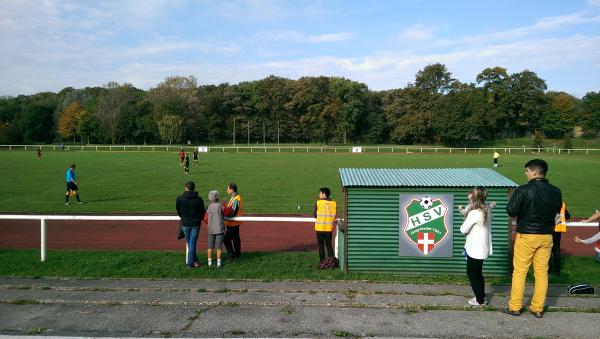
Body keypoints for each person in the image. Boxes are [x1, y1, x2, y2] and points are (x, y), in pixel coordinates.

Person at [502, 159, 562, 318]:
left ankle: (515, 306)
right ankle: (537, 308)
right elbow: (558, 211)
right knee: (542, 273)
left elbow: (511, 211)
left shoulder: (523, 189)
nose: (525, 173)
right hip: (547, 236)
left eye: (527, 170)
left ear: (534, 172)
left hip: (527, 235)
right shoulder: (556, 191)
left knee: (520, 272)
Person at [459, 187, 493, 306]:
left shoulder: (475, 213)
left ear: (474, 199)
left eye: (470, 199)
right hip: (483, 248)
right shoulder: (487, 210)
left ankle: (480, 300)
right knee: (478, 273)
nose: (469, 202)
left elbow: (463, 229)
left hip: (474, 248)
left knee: (472, 274)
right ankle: (481, 296)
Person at [176, 181, 206, 269]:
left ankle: (192, 262)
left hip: (185, 223)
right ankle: (191, 262)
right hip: (195, 224)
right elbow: (202, 212)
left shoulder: (180, 198)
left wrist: (183, 217)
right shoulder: (199, 199)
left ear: (186, 188)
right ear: (194, 188)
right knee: (192, 243)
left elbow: (178, 210)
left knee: (190, 242)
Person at [313, 187, 337, 265]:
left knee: (321, 246)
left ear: (324, 194)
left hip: (319, 228)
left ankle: (322, 263)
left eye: (320, 193)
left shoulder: (318, 203)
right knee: (329, 245)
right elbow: (333, 215)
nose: (319, 195)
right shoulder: (333, 203)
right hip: (328, 229)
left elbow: (315, 215)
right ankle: (331, 262)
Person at [205, 190, 226, 268]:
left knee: (210, 246)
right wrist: (224, 204)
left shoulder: (208, 206)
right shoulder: (221, 206)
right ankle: (218, 263)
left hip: (211, 229)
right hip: (219, 229)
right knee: (219, 247)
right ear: (217, 197)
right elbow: (227, 212)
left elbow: (205, 218)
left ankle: (209, 263)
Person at [223, 182, 243, 260]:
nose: (227, 190)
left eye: (228, 189)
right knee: (236, 239)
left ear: (232, 189)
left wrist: (225, 217)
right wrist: (225, 205)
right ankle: (237, 256)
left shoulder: (236, 198)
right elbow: (230, 209)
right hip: (233, 223)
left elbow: (233, 212)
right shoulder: (234, 197)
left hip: (233, 223)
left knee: (226, 240)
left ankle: (233, 256)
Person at [549, 202, 570, 275]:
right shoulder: (562, 204)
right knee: (556, 250)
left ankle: (548, 271)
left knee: (547, 250)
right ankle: (557, 271)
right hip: (558, 229)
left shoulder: (546, 201)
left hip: (549, 229)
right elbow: (567, 216)